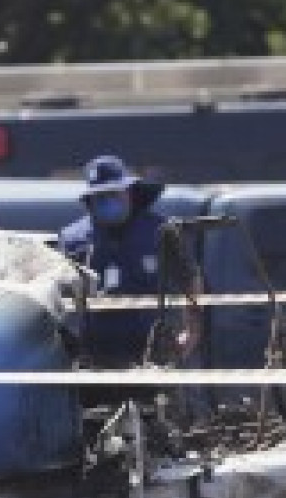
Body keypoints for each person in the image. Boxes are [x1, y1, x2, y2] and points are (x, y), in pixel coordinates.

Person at [58, 155, 203, 368]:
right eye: (101, 197)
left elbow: (190, 278)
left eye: (114, 194)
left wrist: (192, 332)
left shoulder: (162, 231)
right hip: (96, 350)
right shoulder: (73, 239)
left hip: (155, 346)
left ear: (129, 193)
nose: (108, 202)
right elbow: (59, 294)